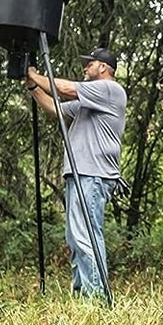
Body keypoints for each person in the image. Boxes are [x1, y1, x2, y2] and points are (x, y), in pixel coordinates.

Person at [27, 47, 126, 298]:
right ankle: (83, 294)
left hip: (93, 174)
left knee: (87, 235)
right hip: (81, 174)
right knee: (76, 237)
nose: (85, 67)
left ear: (103, 67)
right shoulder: (88, 103)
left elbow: (65, 88)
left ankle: (95, 298)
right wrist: (32, 86)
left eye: (89, 63)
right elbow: (55, 108)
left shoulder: (110, 90)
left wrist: (36, 75)